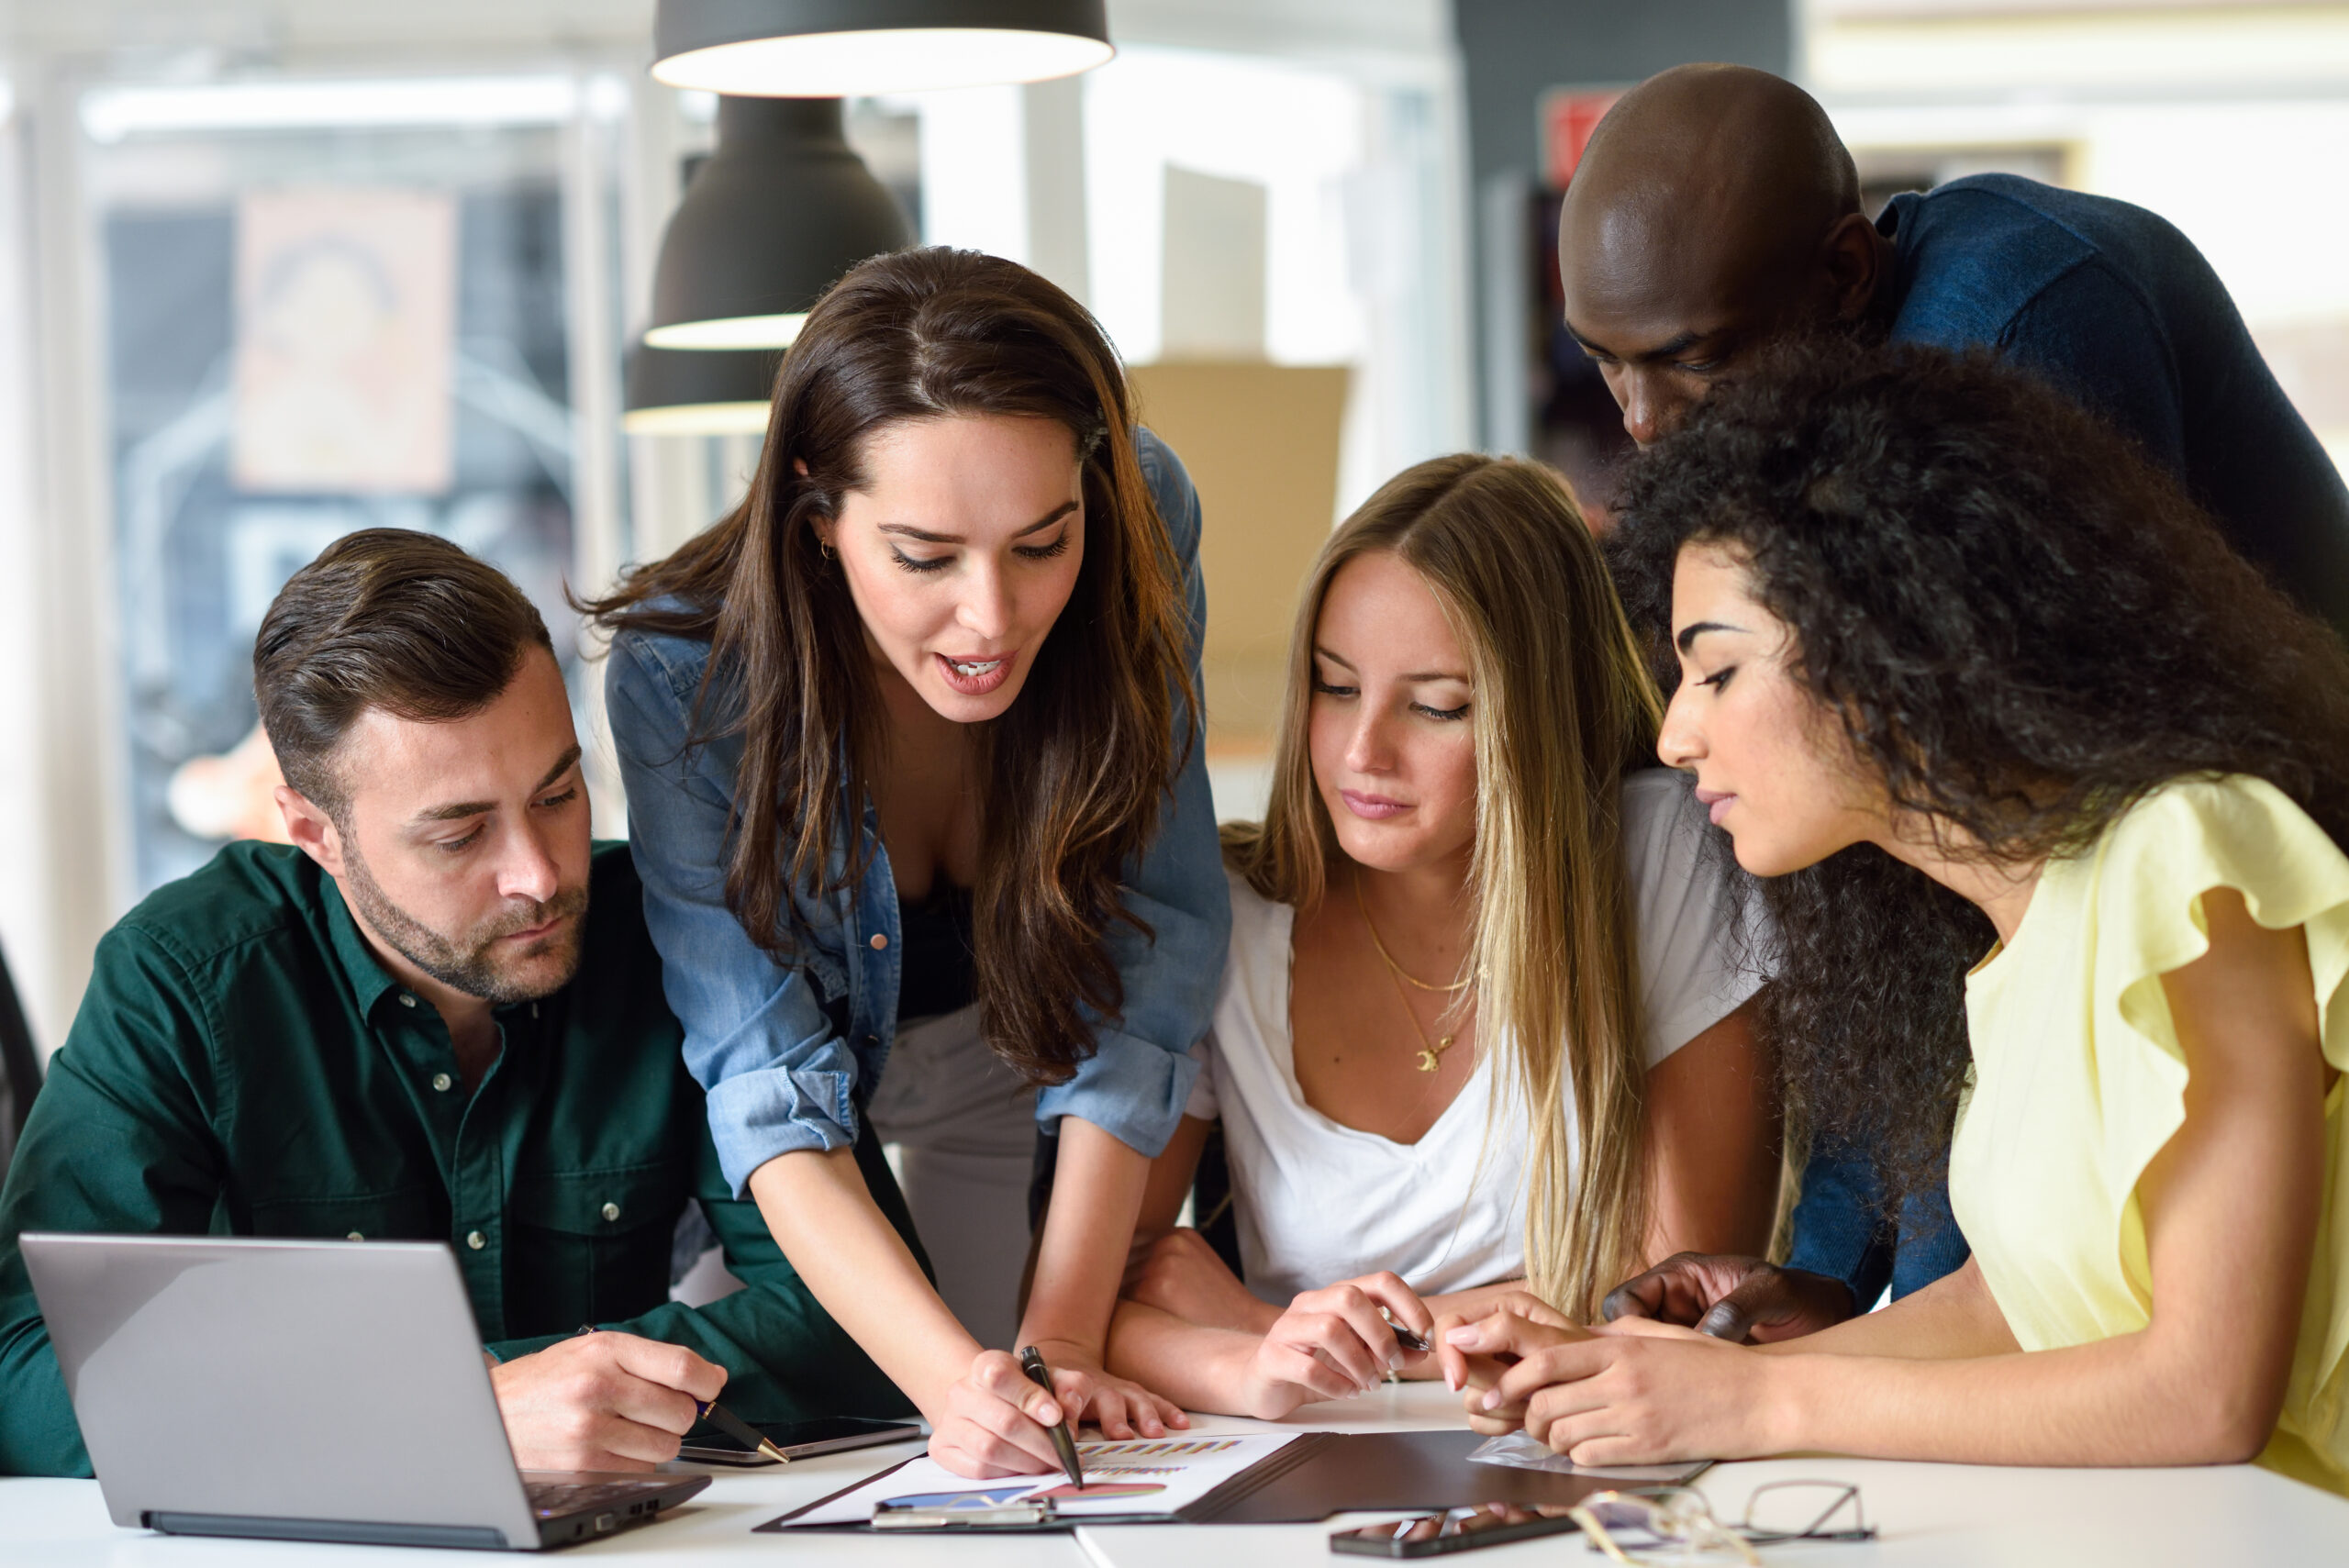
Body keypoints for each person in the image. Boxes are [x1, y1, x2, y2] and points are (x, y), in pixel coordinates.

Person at [1442, 341, 2349, 1496]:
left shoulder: (2187, 859)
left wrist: (1759, 1396)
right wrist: (1636, 1368)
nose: (1674, 736)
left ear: (1889, 639)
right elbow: (2014, 1307)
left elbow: (2207, 1389)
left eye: (1714, 672)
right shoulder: (2009, 935)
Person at [1555, 61, 2349, 1335]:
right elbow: (1885, 886)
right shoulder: (1822, 425)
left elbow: (1972, 894)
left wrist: (1885, 1319)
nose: (1646, 424)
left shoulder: (2015, 337)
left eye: (1691, 360)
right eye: (1605, 366)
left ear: (1847, 277)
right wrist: (1828, 1273)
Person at [0, 530, 902, 1477]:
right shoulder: (183, 980)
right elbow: (26, 1371)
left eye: (557, 792)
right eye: (459, 833)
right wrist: (446, 1410)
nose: (540, 874)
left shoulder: (673, 939)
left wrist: (529, 1398)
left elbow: (864, 1323)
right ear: (314, 832)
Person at [590, 248, 1230, 1481]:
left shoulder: (1146, 518)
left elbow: (1154, 944)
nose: (991, 617)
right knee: (846, 1442)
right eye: (925, 558)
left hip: (1028, 1046)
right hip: (801, 1125)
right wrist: (955, 1386)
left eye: (1042, 543)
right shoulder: (684, 671)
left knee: (1048, 1434)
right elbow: (766, 1080)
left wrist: (1058, 1341)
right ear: (816, 515)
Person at [1102, 454, 1778, 1419]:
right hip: (1304, 1465)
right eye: (1335, 687)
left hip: (1588, 1449)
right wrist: (1251, 1358)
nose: (1360, 752)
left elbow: (1675, 1302)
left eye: (1435, 706)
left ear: (1537, 715)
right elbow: (1102, 1305)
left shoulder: (1664, 856)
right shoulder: (1228, 914)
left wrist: (1269, 1324)